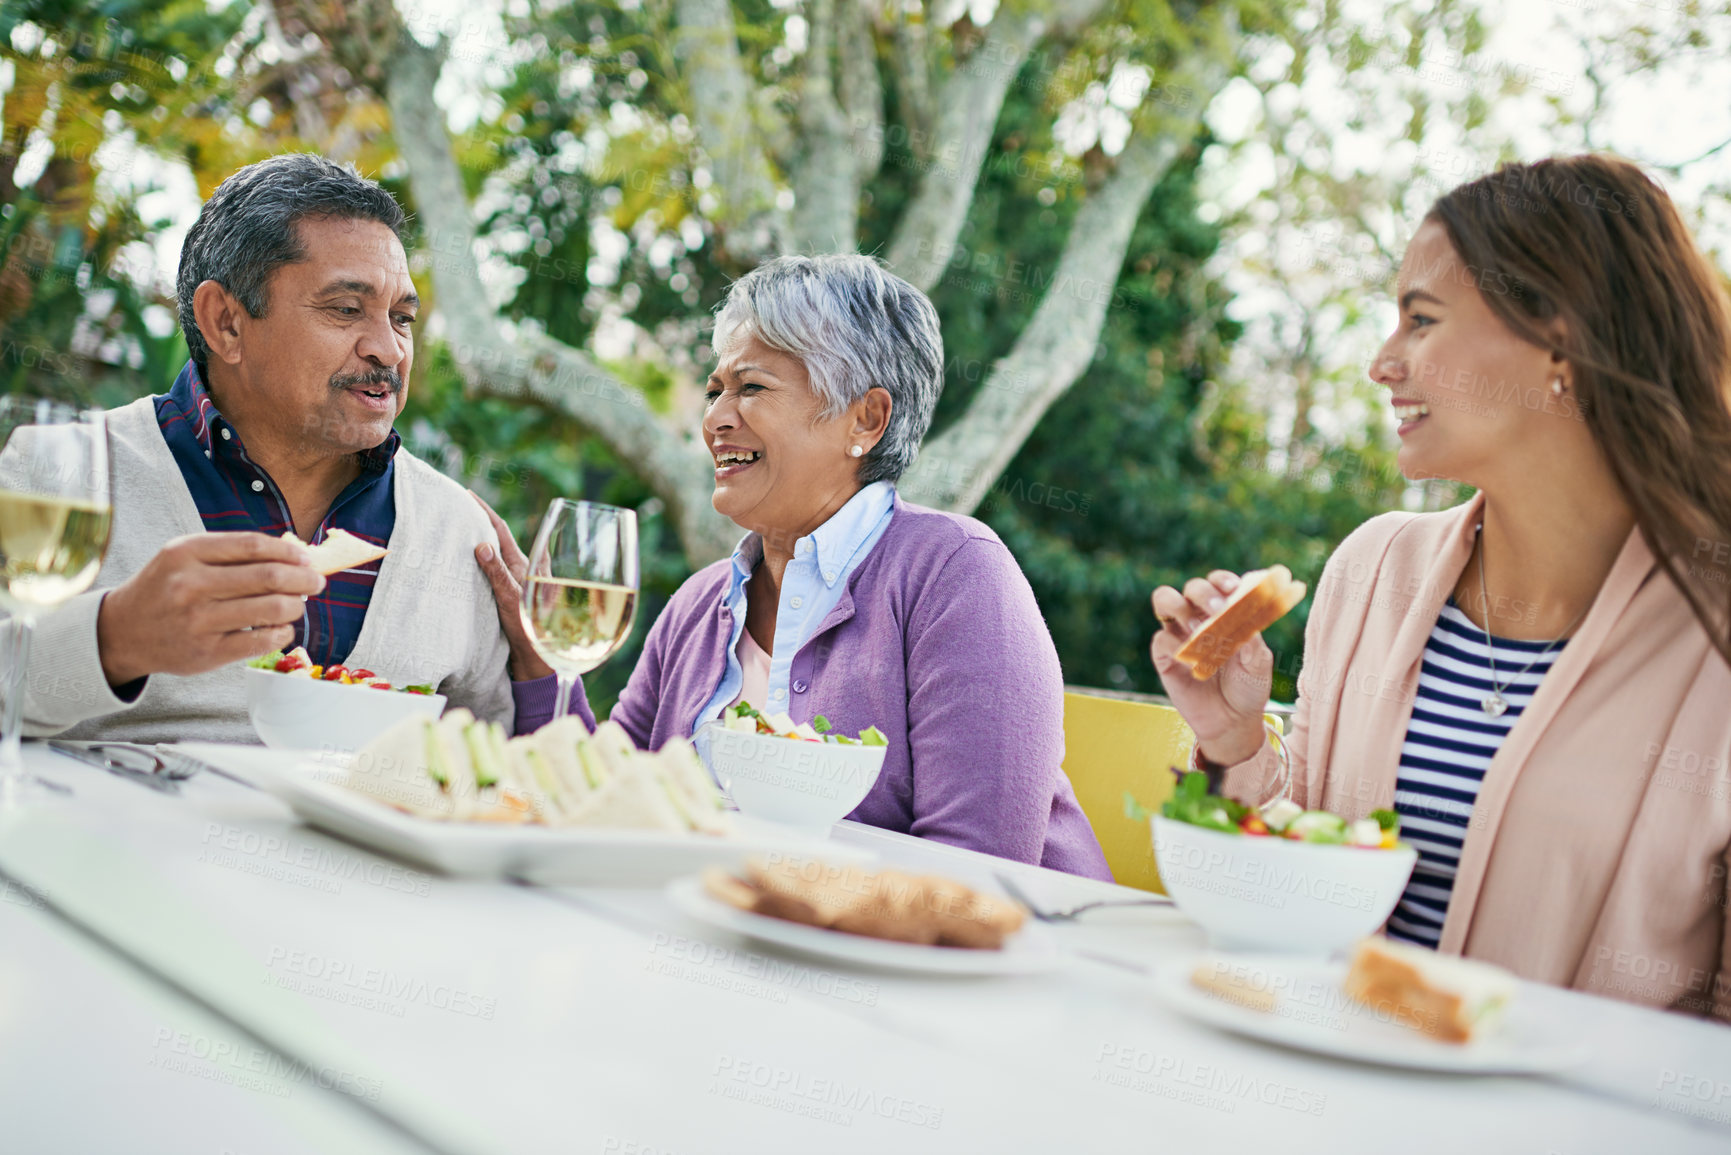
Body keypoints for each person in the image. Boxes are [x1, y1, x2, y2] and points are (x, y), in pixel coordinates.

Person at [1152, 155, 1731, 1021]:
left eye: (1419, 321)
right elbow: (1298, 866)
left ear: (1560, 343)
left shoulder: (1711, 643)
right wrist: (1234, 743)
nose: (1382, 364)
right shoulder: (1370, 569)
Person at [475, 254, 1110, 878]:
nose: (716, 419)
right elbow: (608, 797)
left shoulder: (955, 577)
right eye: (715, 391)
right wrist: (536, 660)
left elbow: (976, 874)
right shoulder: (701, 604)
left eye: (751, 388)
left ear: (865, 419)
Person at [26, 154, 512, 742]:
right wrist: (113, 639)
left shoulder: (457, 531)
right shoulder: (55, 473)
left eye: (401, 317)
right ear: (226, 322)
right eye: (346, 309)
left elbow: (493, 764)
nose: (389, 349)